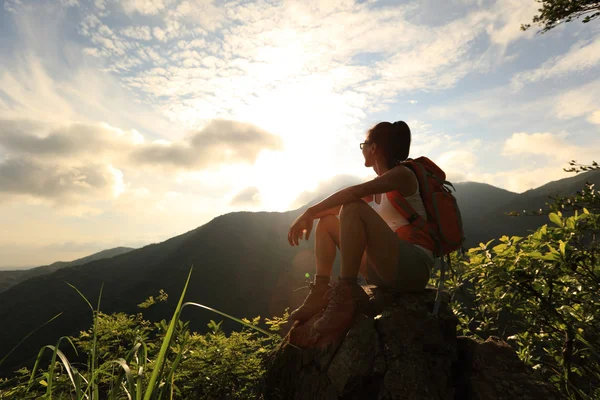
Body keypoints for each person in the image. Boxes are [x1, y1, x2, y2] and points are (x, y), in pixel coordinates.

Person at [287, 121, 436, 334]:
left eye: (363, 144)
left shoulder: (403, 175)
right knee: (328, 222)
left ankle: (347, 293)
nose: (362, 149)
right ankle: (321, 290)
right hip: (385, 270)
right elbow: (332, 210)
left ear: (373, 148)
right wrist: (311, 216)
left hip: (413, 267)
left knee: (352, 207)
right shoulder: (378, 186)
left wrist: (309, 212)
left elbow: (350, 196)